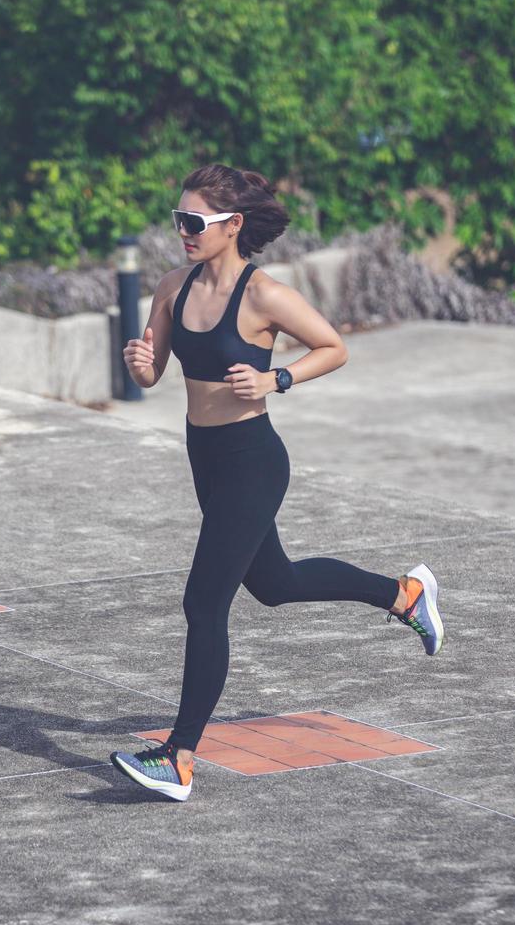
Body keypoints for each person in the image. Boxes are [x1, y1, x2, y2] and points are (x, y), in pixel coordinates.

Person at [109, 163, 443, 802]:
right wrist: (142, 364)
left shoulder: (265, 295)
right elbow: (154, 379)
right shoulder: (172, 288)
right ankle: (403, 595)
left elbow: (333, 346)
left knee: (204, 603)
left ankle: (178, 759)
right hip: (204, 455)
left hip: (254, 460)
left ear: (233, 226)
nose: (182, 231)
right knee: (275, 583)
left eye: (194, 222)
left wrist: (275, 379)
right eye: (178, 219)